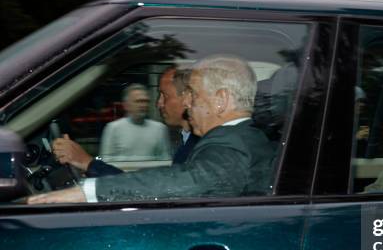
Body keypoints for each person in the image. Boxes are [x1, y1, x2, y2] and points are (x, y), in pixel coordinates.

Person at [28, 55, 276, 204]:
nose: (187, 103)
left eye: (193, 95)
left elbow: (190, 181)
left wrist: (87, 192)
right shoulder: (245, 136)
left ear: (221, 99)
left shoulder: (231, 144)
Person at [53, 67, 198, 176]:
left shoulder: (197, 146)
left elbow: (152, 190)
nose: (158, 103)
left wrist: (86, 162)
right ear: (126, 105)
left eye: (164, 96)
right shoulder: (187, 141)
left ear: (187, 98)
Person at [97, 83, 171, 162]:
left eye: (146, 101)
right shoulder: (113, 128)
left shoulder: (160, 128)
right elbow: (106, 161)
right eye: (138, 101)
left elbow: (165, 159)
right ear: (126, 105)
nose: (143, 105)